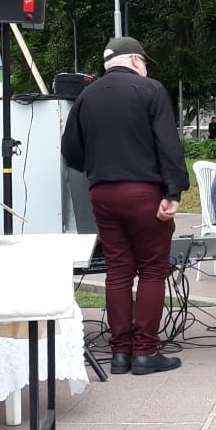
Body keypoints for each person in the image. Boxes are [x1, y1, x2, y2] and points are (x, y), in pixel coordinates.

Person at [61, 36, 189, 375]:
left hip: (103, 193)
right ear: (135, 60)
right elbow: (168, 144)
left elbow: (70, 151)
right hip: (145, 192)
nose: (145, 68)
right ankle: (145, 351)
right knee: (152, 270)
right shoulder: (151, 90)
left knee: (117, 270)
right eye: (144, 62)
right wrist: (174, 192)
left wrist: (97, 167)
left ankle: (120, 353)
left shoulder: (86, 96)